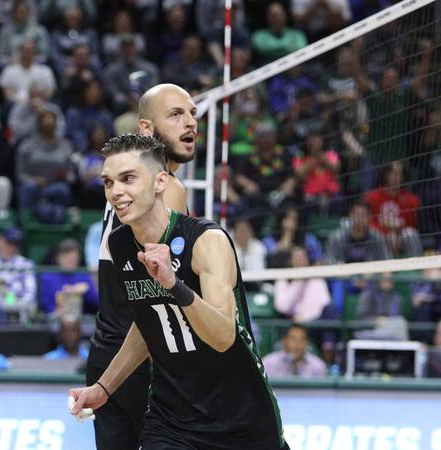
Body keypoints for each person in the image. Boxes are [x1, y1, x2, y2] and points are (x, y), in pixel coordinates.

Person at [70, 134, 288, 449]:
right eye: (108, 182)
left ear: (160, 182)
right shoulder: (119, 243)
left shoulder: (207, 240)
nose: (116, 192)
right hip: (171, 418)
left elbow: (224, 335)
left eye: (128, 179)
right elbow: (148, 323)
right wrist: (104, 387)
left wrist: (174, 285)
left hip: (240, 414)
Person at [86, 83, 197, 450]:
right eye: (176, 114)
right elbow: (164, 295)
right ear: (146, 129)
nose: (190, 123)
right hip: (143, 356)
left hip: (106, 350)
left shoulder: (121, 181)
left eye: (193, 113)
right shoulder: (165, 188)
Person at [262, 324, 328, 378]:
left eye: (301, 339)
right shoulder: (268, 363)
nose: (297, 344)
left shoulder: (318, 366)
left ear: (307, 343)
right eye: (293, 339)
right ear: (284, 341)